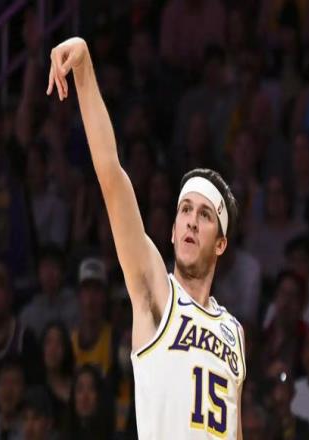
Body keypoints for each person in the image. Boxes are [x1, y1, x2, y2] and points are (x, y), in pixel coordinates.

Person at [47, 36, 245, 439]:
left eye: (204, 214)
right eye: (184, 210)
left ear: (220, 243)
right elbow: (111, 175)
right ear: (171, 231)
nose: (191, 221)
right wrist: (84, 71)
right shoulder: (156, 289)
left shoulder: (234, 331)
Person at [71, 257, 114, 377]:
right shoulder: (69, 344)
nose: (91, 298)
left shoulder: (115, 341)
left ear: (105, 296)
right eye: (86, 289)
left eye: (96, 290)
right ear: (79, 296)